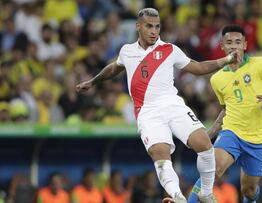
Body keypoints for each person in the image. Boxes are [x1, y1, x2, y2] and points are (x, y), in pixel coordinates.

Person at [76, 8, 239, 203]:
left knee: (204, 144)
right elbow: (114, 67)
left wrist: (227, 59)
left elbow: (199, 67)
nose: (154, 31)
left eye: (157, 26)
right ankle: (178, 197)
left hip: (173, 104)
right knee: (160, 154)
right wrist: (92, 82)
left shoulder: (170, 49)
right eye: (149, 26)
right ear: (138, 26)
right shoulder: (127, 51)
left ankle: (205, 192)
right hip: (147, 112)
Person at [188, 24, 262, 203]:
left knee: (249, 190)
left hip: (259, 137)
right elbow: (227, 108)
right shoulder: (217, 78)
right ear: (222, 46)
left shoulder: (260, 63)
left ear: (245, 45)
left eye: (238, 42)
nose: (233, 46)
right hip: (232, 132)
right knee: (214, 169)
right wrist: (212, 131)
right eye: (229, 42)